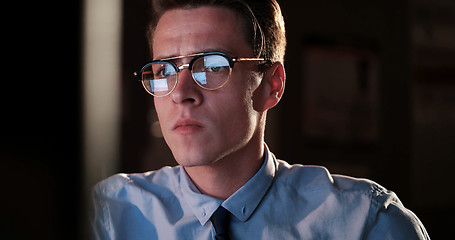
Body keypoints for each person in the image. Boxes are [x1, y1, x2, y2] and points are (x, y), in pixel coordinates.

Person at [92, 0, 430, 239]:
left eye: (212, 66)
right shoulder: (107, 217)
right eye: (164, 70)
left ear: (272, 85)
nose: (181, 93)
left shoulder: (364, 225)